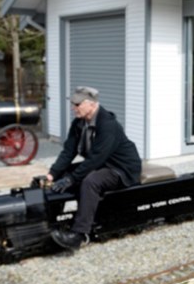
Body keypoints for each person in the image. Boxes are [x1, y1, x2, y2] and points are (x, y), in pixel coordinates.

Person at [47, 86, 142, 251]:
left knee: (90, 181)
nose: (73, 108)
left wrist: (71, 179)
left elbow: (95, 159)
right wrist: (52, 173)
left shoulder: (108, 125)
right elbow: (69, 151)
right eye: (73, 104)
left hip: (121, 168)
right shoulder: (79, 123)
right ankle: (50, 221)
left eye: (77, 104)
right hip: (102, 163)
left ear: (91, 104)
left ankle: (79, 235)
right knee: (64, 173)